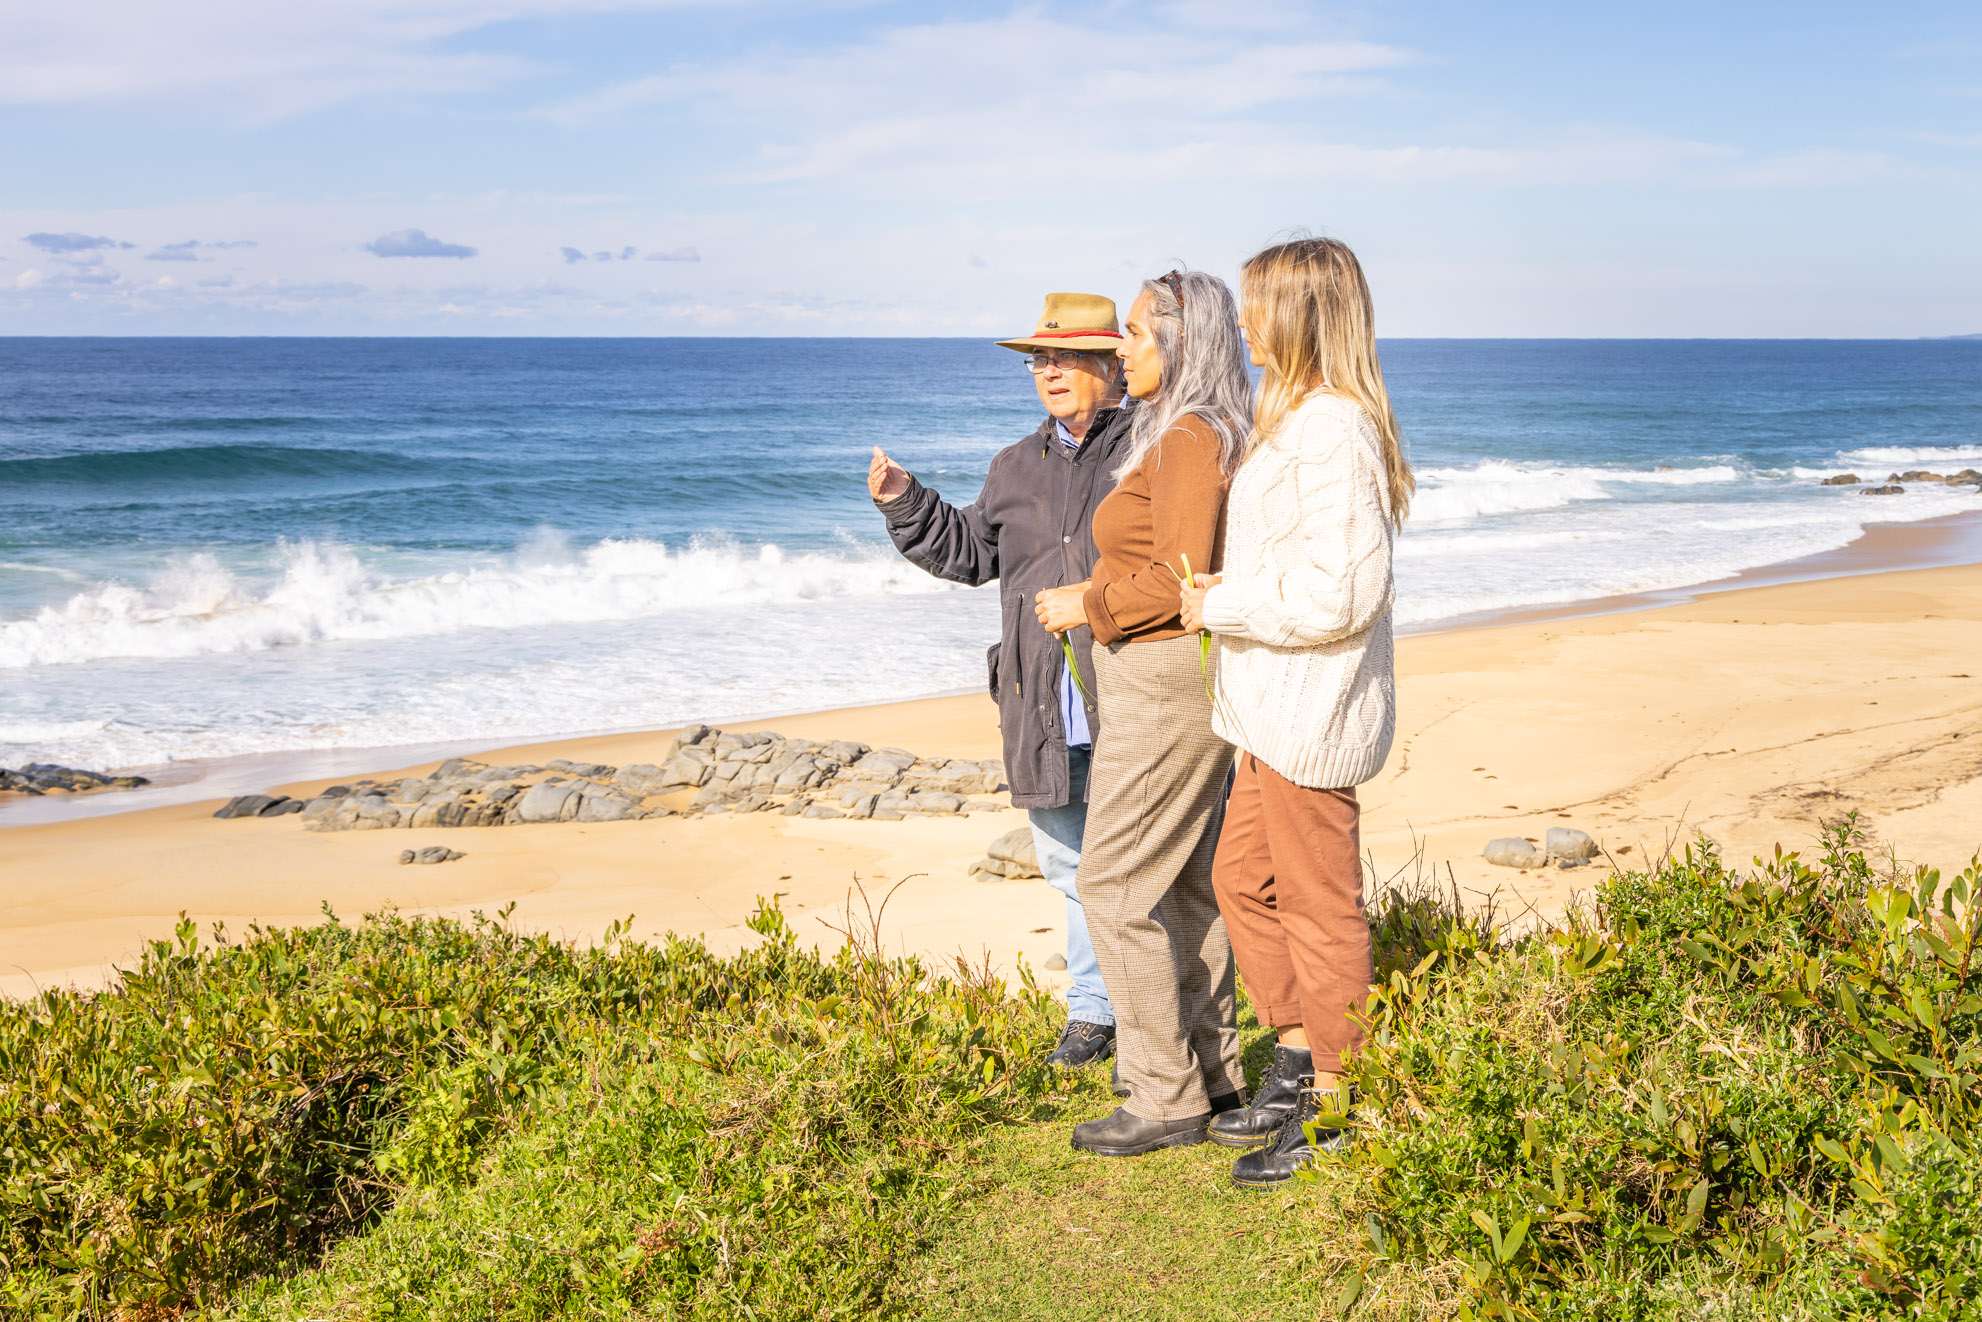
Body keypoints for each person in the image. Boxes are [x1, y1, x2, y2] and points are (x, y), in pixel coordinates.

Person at [1179, 236, 1413, 1189]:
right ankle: (1296, 1053)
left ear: (1304, 315)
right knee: (1243, 880)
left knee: (1320, 908)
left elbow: (1341, 595)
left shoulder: (1337, 429)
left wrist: (1221, 601)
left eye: (1255, 305)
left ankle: (1343, 1100)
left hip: (1310, 713)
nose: (1240, 322)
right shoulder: (1299, 419)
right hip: (1268, 712)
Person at [870, 292, 1130, 1069]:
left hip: (1133, 694)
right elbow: (972, 554)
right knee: (1068, 863)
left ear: (1112, 364)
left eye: (1065, 357)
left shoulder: (1153, 451)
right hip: (1040, 701)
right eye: (1039, 359)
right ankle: (1095, 1011)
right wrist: (905, 504)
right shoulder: (1015, 465)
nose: (1047, 371)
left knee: (1145, 864)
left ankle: (1159, 1011)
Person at [1033, 269, 1254, 1156]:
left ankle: (1164, 1096)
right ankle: (1216, 1073)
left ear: (1181, 342)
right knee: (1189, 884)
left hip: (1164, 681)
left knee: (1113, 883)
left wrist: (1090, 604)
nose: (1120, 349)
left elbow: (1181, 576)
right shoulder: (1179, 432)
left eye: (1133, 333)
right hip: (1163, 680)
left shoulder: (1193, 438)